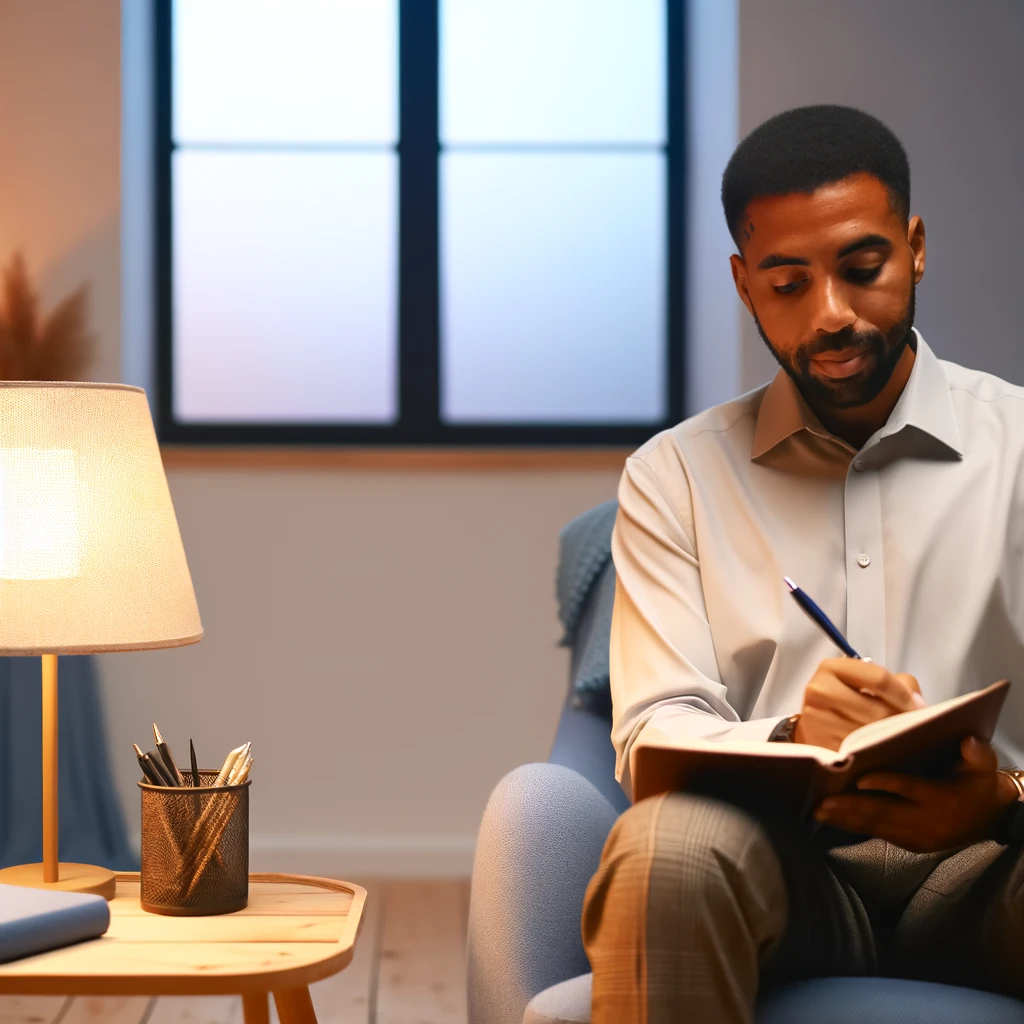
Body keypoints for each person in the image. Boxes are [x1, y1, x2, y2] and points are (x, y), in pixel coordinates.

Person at [582, 105, 1024, 1024]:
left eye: (863, 271)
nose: (832, 315)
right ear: (744, 285)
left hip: (996, 870)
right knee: (663, 848)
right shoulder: (675, 477)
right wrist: (792, 738)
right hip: (781, 870)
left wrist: (1004, 797)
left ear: (916, 247)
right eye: (788, 284)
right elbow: (656, 728)